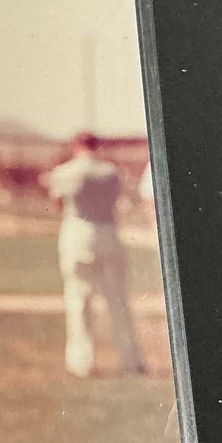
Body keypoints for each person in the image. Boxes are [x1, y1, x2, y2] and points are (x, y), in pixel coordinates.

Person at [42, 132, 147, 378]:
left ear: (75, 146)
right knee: (118, 300)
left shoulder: (65, 172)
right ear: (96, 146)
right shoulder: (111, 172)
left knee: (79, 300)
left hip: (78, 232)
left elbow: (58, 204)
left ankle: (82, 363)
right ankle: (131, 360)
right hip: (108, 233)